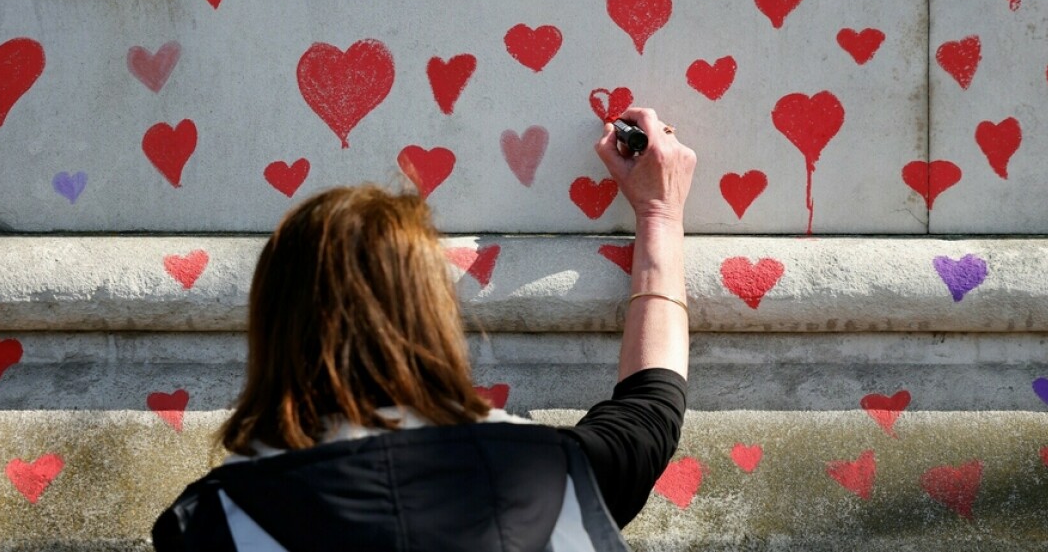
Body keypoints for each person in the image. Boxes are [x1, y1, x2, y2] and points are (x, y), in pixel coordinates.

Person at [153, 108, 697, 551]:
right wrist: (659, 215)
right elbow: (649, 410)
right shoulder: (554, 481)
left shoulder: (211, 524)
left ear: (272, 329)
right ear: (433, 317)